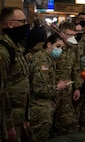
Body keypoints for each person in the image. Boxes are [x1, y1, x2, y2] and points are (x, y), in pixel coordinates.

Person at [0, 7, 30, 142]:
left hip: (19, 115)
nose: (26, 25)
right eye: (22, 21)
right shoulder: (3, 51)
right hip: (9, 118)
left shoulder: (15, 47)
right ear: (10, 24)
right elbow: (1, 91)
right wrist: (7, 125)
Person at [29, 33, 66, 142]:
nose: (60, 50)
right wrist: (57, 87)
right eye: (58, 46)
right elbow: (39, 88)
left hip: (43, 104)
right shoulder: (42, 61)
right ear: (49, 44)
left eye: (62, 48)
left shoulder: (47, 59)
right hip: (38, 108)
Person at [53, 22, 82, 135]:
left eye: (74, 35)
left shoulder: (73, 49)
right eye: (70, 35)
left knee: (68, 122)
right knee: (47, 123)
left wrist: (77, 88)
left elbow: (76, 69)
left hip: (66, 91)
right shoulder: (53, 48)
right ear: (62, 34)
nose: (72, 38)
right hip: (52, 91)